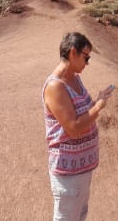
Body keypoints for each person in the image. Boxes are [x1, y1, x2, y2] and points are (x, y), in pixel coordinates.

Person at [42, 32, 114, 221]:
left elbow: (83, 114)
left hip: (82, 168)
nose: (87, 63)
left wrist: (97, 100)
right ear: (73, 52)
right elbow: (73, 128)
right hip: (68, 172)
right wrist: (98, 107)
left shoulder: (75, 77)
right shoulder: (55, 87)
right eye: (86, 57)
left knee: (80, 215)